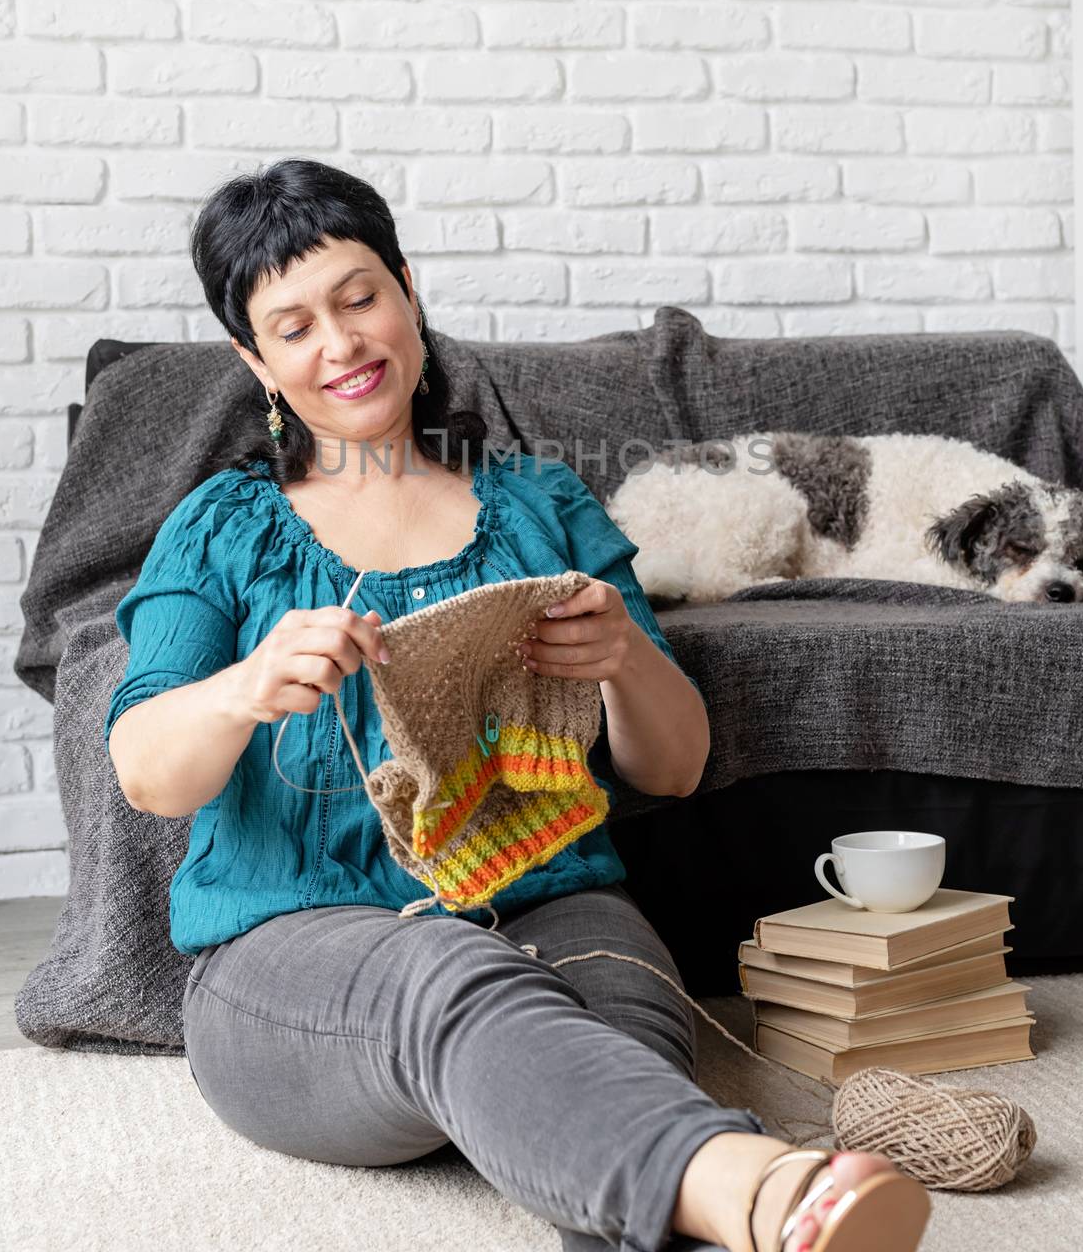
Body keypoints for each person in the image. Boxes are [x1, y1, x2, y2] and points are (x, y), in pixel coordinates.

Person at [104, 159, 930, 1252]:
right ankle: (765, 1186)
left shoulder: (541, 506)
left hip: (552, 907)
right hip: (289, 959)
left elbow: (673, 766)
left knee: (622, 1073)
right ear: (254, 359)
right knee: (452, 972)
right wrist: (242, 688)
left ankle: (711, 1189)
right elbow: (147, 769)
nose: (342, 344)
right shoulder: (222, 525)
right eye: (293, 325)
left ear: (406, 289)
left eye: (359, 298)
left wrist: (622, 654)